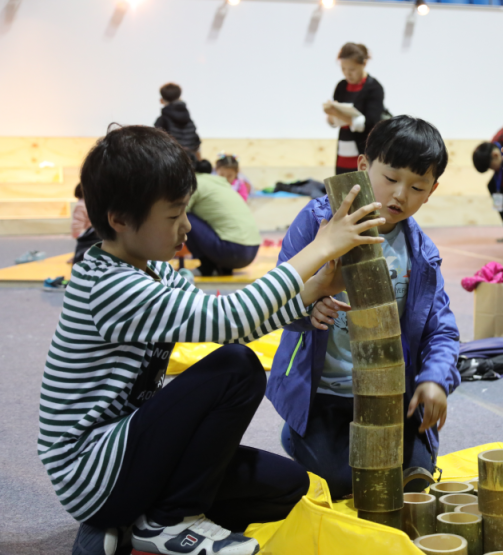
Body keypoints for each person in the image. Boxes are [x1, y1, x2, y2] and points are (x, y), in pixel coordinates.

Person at [40, 125, 386, 555]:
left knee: (286, 487)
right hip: (93, 470)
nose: (187, 227)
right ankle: (168, 518)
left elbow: (238, 322)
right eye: (173, 216)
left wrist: (312, 289)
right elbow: (227, 320)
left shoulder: (154, 269)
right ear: (120, 220)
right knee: (238, 368)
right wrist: (317, 249)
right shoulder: (109, 285)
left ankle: (136, 519)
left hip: (132, 448)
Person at [266, 116, 461, 499]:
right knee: (345, 484)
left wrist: (435, 378)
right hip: (324, 391)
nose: (399, 195)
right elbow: (278, 294)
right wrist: (309, 308)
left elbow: (442, 329)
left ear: (431, 191)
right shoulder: (317, 222)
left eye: (417, 186)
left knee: (410, 476)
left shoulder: (421, 253)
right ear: (362, 167)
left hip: (390, 392)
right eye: (390, 178)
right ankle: (297, 432)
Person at [186, 161, 262, 277]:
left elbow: (180, 210)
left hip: (233, 251)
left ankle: (206, 267)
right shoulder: (221, 185)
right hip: (252, 250)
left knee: (184, 218)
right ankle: (223, 268)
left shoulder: (196, 182)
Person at [324, 43, 385, 175]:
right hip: (344, 149)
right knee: (341, 189)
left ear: (363, 64)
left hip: (364, 150)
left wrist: (338, 114)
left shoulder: (374, 88)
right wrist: (331, 115)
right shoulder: (341, 86)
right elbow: (334, 122)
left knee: (363, 188)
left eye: (352, 70)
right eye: (343, 69)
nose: (347, 74)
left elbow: (371, 123)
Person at [472, 124, 503, 242]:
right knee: (493, 186)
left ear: (495, 156)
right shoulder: (494, 146)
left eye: (491, 167)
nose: (492, 170)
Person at [154, 83, 201, 156]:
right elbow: (196, 141)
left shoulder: (162, 120)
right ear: (179, 97)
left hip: (172, 159)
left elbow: (156, 143)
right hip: (191, 158)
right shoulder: (188, 119)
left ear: (162, 100)